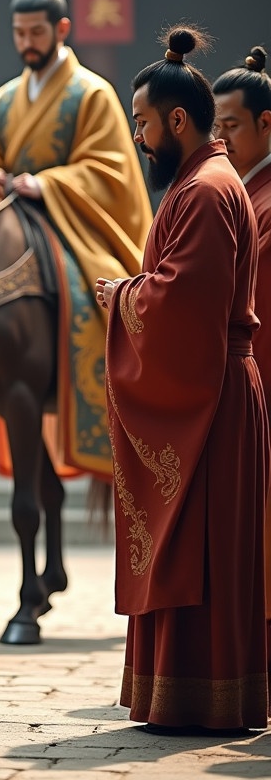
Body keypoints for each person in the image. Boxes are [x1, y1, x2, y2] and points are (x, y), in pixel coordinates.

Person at [96, 27, 269, 734]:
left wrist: (120, 299)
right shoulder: (213, 181)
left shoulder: (202, 189)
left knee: (199, 548)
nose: (138, 138)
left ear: (175, 120)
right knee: (198, 548)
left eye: (141, 123)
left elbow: (181, 304)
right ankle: (186, 691)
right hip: (217, 389)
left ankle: (201, 696)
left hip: (212, 398)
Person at [0, 0, 152, 477]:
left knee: (92, 293)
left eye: (37, 33)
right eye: (20, 34)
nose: (27, 43)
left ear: (62, 30)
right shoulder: (3, 100)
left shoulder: (90, 93)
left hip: (70, 223)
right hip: (8, 220)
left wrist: (47, 183)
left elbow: (109, 168)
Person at [213, 44, 271, 683]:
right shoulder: (240, 192)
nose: (222, 139)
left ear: (266, 123)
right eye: (216, 128)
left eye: (232, 126)